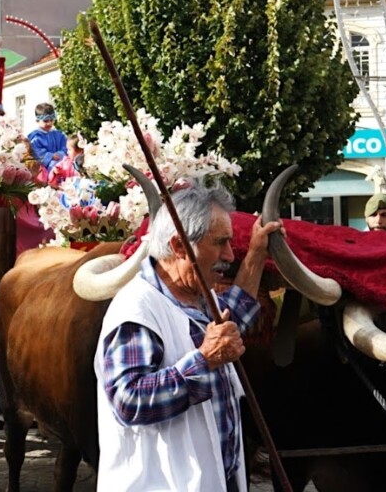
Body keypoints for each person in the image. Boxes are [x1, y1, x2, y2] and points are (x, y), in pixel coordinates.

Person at [95, 181, 281, 491]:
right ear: (180, 246)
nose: (230, 254)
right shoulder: (137, 310)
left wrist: (257, 253)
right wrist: (205, 360)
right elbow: (129, 402)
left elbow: (234, 315)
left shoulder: (196, 297)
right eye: (220, 242)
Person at [28, 102, 69, 172]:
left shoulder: (59, 134)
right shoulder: (36, 137)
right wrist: (50, 156)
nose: (49, 123)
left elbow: (66, 147)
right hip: (45, 168)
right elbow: (36, 152)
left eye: (52, 120)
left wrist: (60, 154)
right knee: (54, 165)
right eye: (46, 121)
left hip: (61, 160)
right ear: (37, 121)